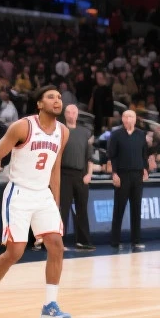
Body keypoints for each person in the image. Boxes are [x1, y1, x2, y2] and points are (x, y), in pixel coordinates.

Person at [0, 85, 72, 318]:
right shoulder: (23, 127)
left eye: (59, 97)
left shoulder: (63, 132)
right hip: (19, 193)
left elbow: (55, 168)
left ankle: (50, 306)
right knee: (15, 252)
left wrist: (56, 202)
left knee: (56, 245)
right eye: (51, 97)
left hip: (43, 194)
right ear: (39, 104)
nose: (57, 100)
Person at [107, 109, 149, 250]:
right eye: (125, 116)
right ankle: (115, 241)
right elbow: (112, 156)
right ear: (122, 119)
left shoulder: (141, 134)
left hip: (137, 175)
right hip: (122, 175)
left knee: (136, 208)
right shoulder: (116, 134)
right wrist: (114, 174)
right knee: (119, 209)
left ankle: (136, 240)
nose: (127, 119)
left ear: (135, 119)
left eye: (130, 116)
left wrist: (145, 169)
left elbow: (144, 154)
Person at [59, 104, 96, 250]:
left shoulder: (85, 132)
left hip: (81, 175)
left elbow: (90, 157)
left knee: (82, 209)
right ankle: (59, 242)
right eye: (68, 112)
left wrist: (89, 174)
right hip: (64, 174)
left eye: (73, 112)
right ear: (65, 114)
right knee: (63, 209)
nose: (71, 115)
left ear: (77, 114)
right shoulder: (59, 130)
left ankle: (83, 241)